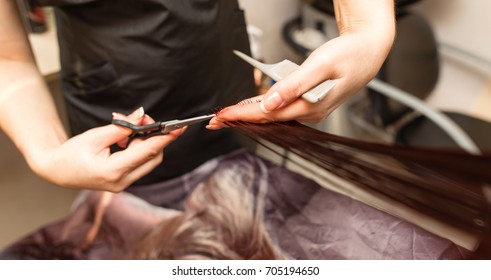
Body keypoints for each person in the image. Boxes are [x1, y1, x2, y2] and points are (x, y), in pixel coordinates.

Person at [0, 0, 396, 192]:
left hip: (227, 85)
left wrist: (366, 27)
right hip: (113, 127)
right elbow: (6, 57)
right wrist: (47, 154)